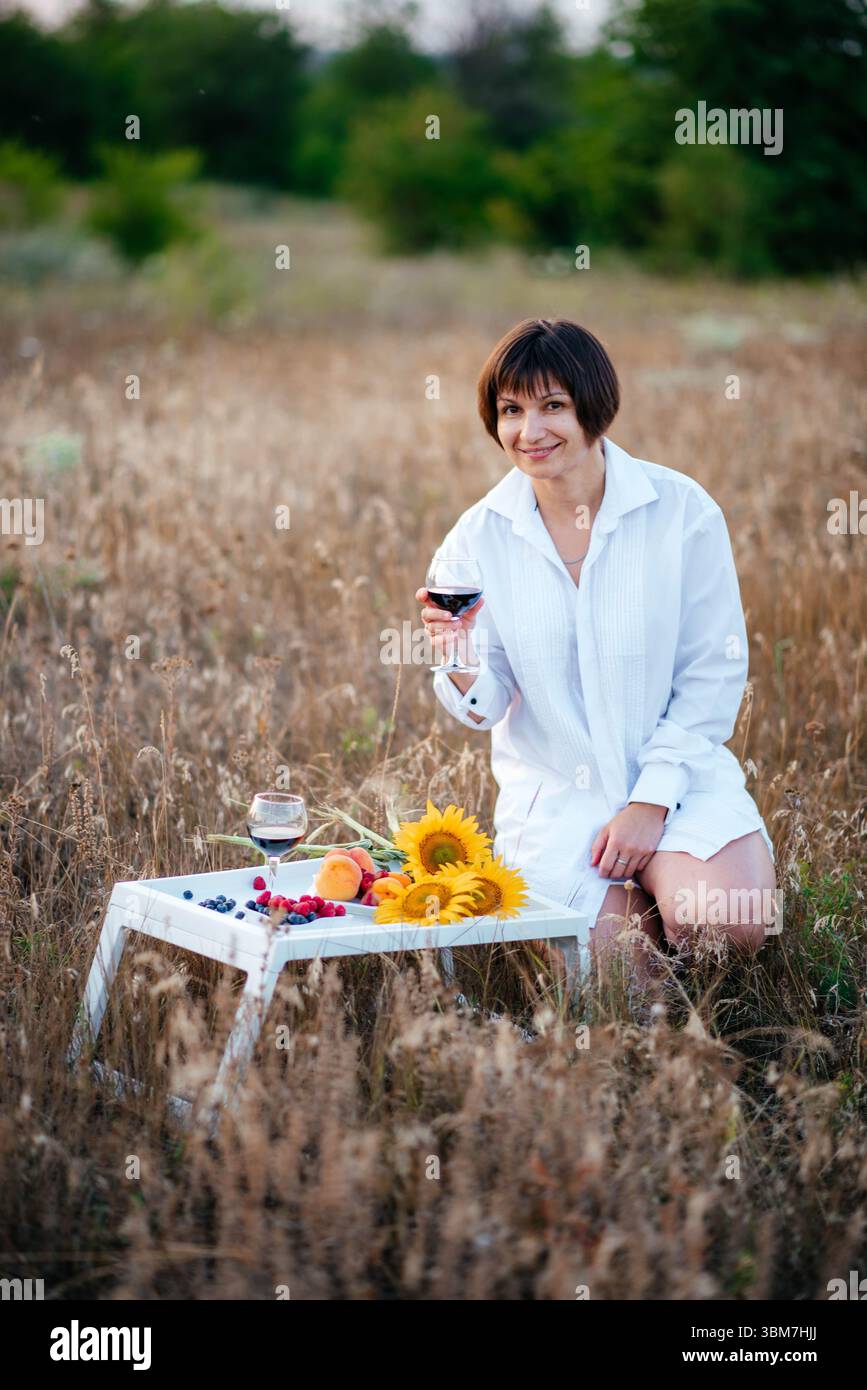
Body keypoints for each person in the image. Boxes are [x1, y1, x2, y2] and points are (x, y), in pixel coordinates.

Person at [416, 317, 776, 987]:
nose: (531, 431)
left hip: (677, 784)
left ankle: (673, 891)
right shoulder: (475, 540)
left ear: (593, 406)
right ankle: (636, 924)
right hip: (559, 802)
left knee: (729, 921)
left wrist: (650, 803)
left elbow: (711, 673)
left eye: (553, 406)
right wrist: (459, 654)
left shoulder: (679, 512)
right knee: (616, 987)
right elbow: (481, 708)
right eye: (511, 410)